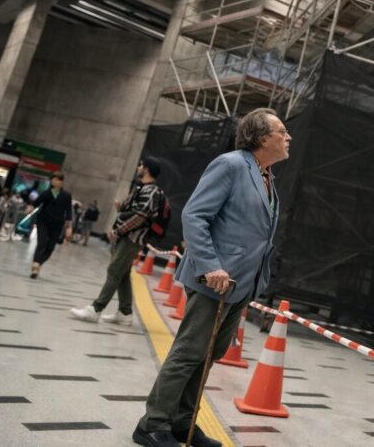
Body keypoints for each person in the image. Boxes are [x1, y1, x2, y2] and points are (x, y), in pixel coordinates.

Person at [132, 108, 291, 447]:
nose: (288, 137)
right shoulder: (231, 165)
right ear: (263, 138)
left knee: (209, 353)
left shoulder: (266, 175)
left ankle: (182, 422)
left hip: (241, 283)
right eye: (282, 132)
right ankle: (152, 423)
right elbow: (195, 215)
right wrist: (210, 265)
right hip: (215, 279)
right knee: (190, 351)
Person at [69, 160, 165, 326]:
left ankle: (96, 309)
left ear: (147, 169)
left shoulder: (151, 191)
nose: (138, 168)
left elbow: (141, 216)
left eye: (141, 165)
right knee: (122, 274)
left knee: (114, 270)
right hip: (127, 237)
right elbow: (132, 212)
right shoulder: (141, 188)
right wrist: (121, 207)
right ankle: (125, 312)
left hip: (132, 239)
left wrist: (118, 231)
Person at [30, 172, 73, 278]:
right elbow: (36, 202)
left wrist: (69, 227)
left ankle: (39, 263)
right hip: (43, 221)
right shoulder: (47, 193)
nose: (58, 182)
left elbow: (69, 211)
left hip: (57, 224)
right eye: (56, 179)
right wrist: (30, 207)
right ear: (52, 181)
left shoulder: (66, 195)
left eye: (60, 180)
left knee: (50, 247)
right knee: (41, 242)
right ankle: (35, 266)